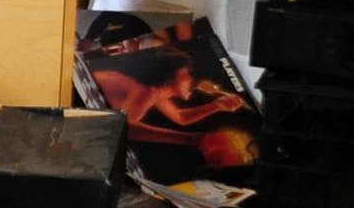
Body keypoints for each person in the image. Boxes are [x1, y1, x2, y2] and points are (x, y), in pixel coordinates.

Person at [91, 48, 248, 147]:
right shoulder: (147, 91)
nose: (191, 80)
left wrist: (217, 105)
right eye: (187, 73)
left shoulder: (156, 93)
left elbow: (181, 117)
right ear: (170, 74)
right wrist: (191, 139)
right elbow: (125, 127)